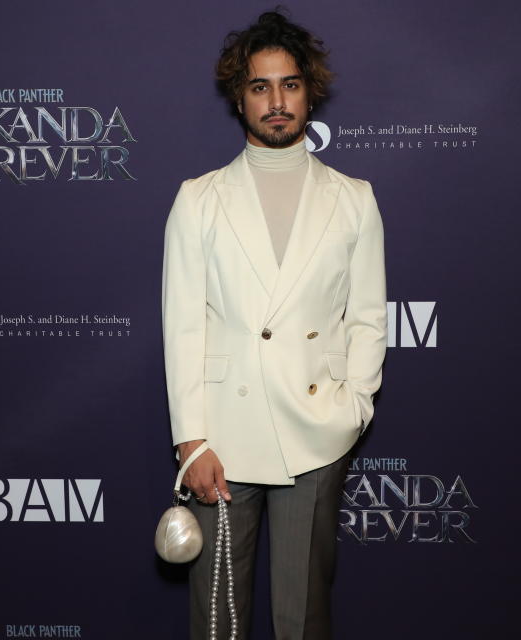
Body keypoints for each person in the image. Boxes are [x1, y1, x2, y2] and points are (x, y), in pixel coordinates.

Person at [161, 8, 388, 639]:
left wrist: (356, 407)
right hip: (221, 444)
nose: (277, 100)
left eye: (289, 84)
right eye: (260, 86)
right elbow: (183, 325)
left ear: (308, 91)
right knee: (218, 618)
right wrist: (191, 440)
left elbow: (369, 316)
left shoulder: (354, 198)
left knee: (303, 616)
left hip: (316, 433)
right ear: (240, 99)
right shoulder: (199, 199)